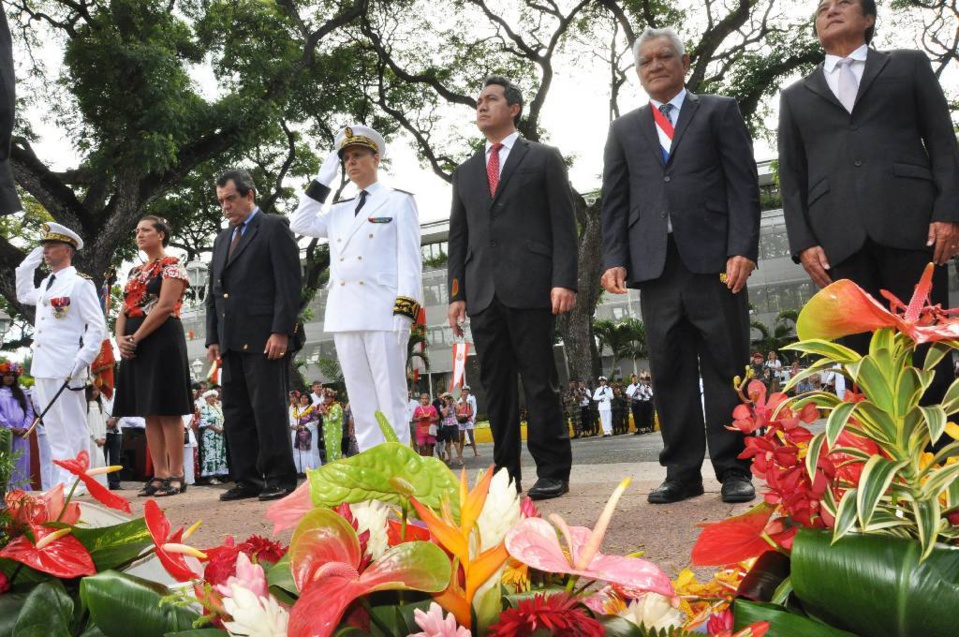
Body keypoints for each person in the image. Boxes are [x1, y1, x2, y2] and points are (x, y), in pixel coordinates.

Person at [600, 27, 759, 505]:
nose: (655, 65)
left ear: (684, 62)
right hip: (655, 266)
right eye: (645, 61)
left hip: (715, 261)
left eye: (664, 56)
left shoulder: (718, 111)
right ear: (638, 71)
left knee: (725, 364)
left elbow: (742, 185)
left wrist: (743, 248)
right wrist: (614, 257)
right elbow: (615, 198)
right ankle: (683, 471)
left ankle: (734, 467)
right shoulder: (625, 128)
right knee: (668, 370)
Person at [778, 0, 959, 404]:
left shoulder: (908, 66)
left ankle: (939, 455)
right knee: (861, 356)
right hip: (837, 240)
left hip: (914, 228)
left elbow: (944, 142)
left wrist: (949, 211)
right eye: (823, 7)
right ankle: (879, 457)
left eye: (843, 3)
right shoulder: (795, 96)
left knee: (927, 346)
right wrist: (802, 243)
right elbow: (791, 178)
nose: (830, 10)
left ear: (869, 19)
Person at [447, 76, 578, 500]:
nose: (482, 106)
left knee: (540, 383)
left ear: (515, 108)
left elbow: (563, 223)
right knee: (497, 388)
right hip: (483, 294)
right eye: (479, 101)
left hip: (533, 288)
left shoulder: (542, 158)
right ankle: (504, 474)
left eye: (491, 99)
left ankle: (553, 469)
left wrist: (563, 280)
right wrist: (456, 293)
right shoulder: (466, 171)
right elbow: (459, 237)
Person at [291, 125, 423, 450]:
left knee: (390, 399)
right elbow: (299, 223)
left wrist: (405, 313)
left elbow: (410, 261)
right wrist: (323, 180)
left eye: (358, 155)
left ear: (375, 158)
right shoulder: (338, 211)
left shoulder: (398, 202)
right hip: (346, 315)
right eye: (346, 158)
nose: (351, 162)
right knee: (362, 404)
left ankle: (401, 470)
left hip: (384, 313)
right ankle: (372, 471)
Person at [206, 169, 301, 502]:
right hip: (230, 338)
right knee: (236, 411)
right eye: (221, 201)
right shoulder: (222, 239)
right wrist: (212, 337)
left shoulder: (273, 227)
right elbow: (214, 293)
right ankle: (247, 478)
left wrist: (281, 330)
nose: (226, 207)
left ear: (250, 195)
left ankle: (280, 476)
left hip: (265, 337)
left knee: (268, 409)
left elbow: (289, 284)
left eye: (231, 198)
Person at [15, 222, 106, 490]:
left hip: (68, 365)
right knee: (53, 427)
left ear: (67, 250)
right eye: (44, 246)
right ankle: (63, 481)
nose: (46, 251)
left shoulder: (79, 284)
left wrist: (83, 359)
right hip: (43, 365)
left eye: (51, 246)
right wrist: (33, 254)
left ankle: (80, 480)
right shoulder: (46, 284)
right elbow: (22, 292)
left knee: (73, 426)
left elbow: (96, 325)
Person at [112, 216, 193, 498]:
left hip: (162, 340)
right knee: (149, 410)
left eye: (145, 230)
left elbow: (164, 306)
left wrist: (136, 337)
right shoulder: (135, 271)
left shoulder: (173, 266)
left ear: (161, 234)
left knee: (168, 408)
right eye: (136, 231)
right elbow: (124, 309)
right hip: (137, 345)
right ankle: (158, 473)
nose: (139, 234)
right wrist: (120, 338)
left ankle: (177, 473)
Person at [0, 361, 33, 489]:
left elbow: (29, 412)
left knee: (21, 461)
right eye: (7, 374)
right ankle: (7, 491)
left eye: (12, 375)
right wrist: (9, 427)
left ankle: (21, 490)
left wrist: (25, 427)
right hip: (4, 433)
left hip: (21, 434)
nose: (10, 377)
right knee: (7, 460)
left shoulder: (21, 393)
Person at [198, 389, 229, 484]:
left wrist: (222, 427)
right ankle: (210, 477)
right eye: (211, 396)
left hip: (220, 435)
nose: (213, 398)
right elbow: (204, 421)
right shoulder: (204, 407)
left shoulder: (217, 407)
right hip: (210, 435)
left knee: (219, 454)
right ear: (206, 398)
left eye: (214, 396)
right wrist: (216, 429)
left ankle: (217, 475)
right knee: (210, 454)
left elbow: (222, 418)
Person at [290, 392, 319, 475]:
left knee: (308, 452)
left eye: (306, 398)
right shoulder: (295, 409)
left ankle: (307, 470)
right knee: (297, 451)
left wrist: (304, 427)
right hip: (296, 432)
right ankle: (298, 470)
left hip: (308, 433)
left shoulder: (312, 408)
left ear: (309, 399)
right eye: (302, 398)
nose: (303, 399)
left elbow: (315, 421)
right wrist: (293, 426)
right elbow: (290, 420)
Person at [84, 384, 107, 477]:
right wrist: (94, 438)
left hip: (100, 438)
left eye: (98, 390)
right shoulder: (85, 405)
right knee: (91, 459)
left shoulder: (100, 405)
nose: (96, 393)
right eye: (93, 390)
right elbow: (86, 423)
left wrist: (103, 437)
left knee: (100, 460)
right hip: (90, 438)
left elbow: (103, 422)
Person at [412, 393, 438, 457]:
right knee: (421, 448)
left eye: (426, 398)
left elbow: (437, 417)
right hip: (421, 432)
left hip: (430, 431)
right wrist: (419, 418)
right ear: (420, 400)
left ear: (428, 399)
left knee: (430, 447)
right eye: (422, 399)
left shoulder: (432, 408)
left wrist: (433, 419)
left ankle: (430, 463)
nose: (424, 400)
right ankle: (423, 463)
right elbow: (413, 419)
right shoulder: (418, 408)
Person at [457, 385, 479, 458]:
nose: (465, 395)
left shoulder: (470, 402)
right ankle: (460, 453)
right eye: (463, 393)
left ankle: (475, 452)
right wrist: (460, 416)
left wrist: (469, 416)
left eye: (466, 393)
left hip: (468, 420)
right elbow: (456, 412)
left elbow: (472, 411)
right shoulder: (458, 403)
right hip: (461, 422)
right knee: (461, 438)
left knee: (471, 437)